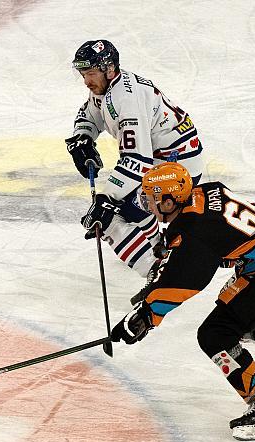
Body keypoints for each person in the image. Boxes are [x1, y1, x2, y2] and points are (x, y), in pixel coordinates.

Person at [109, 161, 255, 441]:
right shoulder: (202, 194)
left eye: (152, 199)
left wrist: (146, 316)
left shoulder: (193, 231)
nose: (146, 204)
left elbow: (184, 281)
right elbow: (214, 241)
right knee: (234, 322)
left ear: (171, 202)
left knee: (215, 334)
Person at [65, 39, 204, 277]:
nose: (86, 82)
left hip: (175, 167)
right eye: (82, 74)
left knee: (112, 215)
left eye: (90, 73)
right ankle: (158, 248)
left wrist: (107, 198)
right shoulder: (108, 87)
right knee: (126, 207)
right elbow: (90, 113)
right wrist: (83, 138)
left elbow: (138, 160)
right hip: (167, 161)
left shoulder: (126, 99)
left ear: (109, 69)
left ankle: (157, 274)